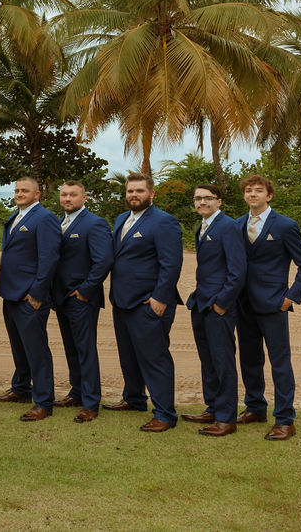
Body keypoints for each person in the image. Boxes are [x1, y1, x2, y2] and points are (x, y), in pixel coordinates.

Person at [236, 175, 301, 441]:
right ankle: (255, 407)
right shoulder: (236, 225)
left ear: (269, 196)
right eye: (248, 191)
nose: (253, 194)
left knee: (280, 363)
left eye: (259, 191)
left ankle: (285, 419)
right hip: (243, 304)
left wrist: (290, 297)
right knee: (249, 359)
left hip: (273, 304)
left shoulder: (285, 226)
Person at [104, 173, 183, 432]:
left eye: (139, 191)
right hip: (123, 300)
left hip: (149, 302)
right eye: (129, 191)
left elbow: (171, 264)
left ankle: (165, 414)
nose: (133, 195)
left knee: (154, 358)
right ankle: (134, 398)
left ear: (152, 194)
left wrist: (160, 298)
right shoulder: (122, 219)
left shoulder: (164, 222)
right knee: (129, 357)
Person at [0, 177, 61, 421]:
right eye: (17, 189)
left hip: (29, 297)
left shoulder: (45, 218)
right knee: (18, 347)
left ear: (37, 194)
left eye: (25, 190)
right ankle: (21, 389)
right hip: (10, 294)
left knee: (36, 350)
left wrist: (37, 294)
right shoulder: (15, 216)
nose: (19, 193)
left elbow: (49, 259)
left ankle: (43, 402)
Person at [182, 184, 246, 437]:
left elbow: (237, 270)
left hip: (218, 305)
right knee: (208, 360)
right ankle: (213, 408)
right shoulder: (203, 225)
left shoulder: (228, 226)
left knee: (222, 360)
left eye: (208, 198)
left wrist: (222, 303)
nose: (202, 202)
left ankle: (226, 418)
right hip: (200, 302)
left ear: (219, 201)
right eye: (198, 198)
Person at [50, 181, 113, 424]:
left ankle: (90, 402)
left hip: (81, 298)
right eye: (64, 194)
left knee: (85, 350)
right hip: (61, 298)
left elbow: (103, 261)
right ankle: (76, 392)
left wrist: (85, 291)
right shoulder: (58, 223)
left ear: (84, 197)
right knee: (71, 348)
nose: (67, 199)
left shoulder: (94, 223)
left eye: (73, 195)